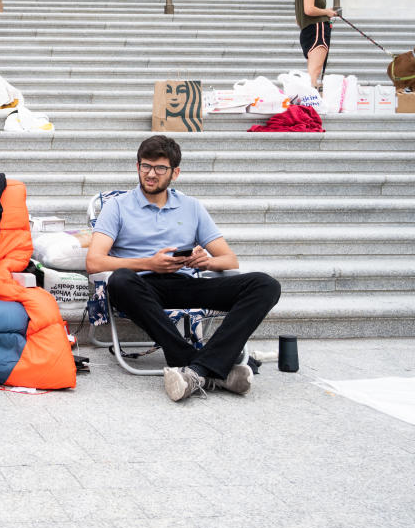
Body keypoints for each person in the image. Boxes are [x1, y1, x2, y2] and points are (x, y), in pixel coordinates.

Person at [85, 135, 281, 403]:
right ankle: (208, 365)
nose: (150, 174)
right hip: (141, 288)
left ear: (175, 172)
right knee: (120, 281)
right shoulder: (117, 207)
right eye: (145, 166)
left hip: (186, 282)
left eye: (160, 168)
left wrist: (205, 261)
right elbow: (94, 261)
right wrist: (149, 263)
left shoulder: (191, 207)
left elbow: (229, 260)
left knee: (265, 285)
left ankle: (198, 368)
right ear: (137, 166)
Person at [295, 0, 339, 88]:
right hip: (317, 30)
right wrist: (327, 12)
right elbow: (309, 10)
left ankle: (310, 98)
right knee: (315, 71)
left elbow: (299, 17)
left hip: (307, 30)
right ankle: (311, 100)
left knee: (312, 70)